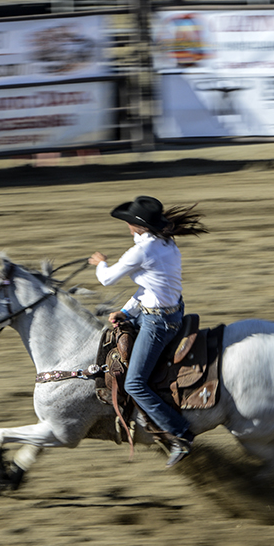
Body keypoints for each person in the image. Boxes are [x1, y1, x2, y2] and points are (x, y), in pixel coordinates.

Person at [88, 195, 208, 467]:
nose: (127, 225)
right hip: (168, 309)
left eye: (129, 222)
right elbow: (149, 287)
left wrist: (100, 263)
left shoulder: (141, 251)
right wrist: (128, 311)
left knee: (134, 383)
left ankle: (180, 434)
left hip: (158, 321)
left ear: (136, 225)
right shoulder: (166, 242)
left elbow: (107, 279)